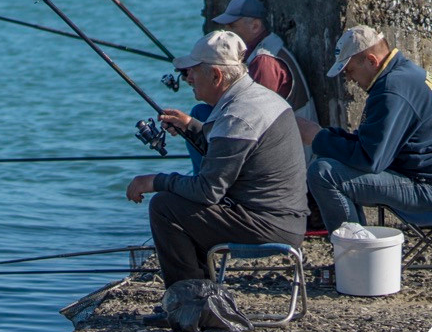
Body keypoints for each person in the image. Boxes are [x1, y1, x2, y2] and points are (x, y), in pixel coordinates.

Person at [124, 31, 311, 285]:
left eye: (193, 71)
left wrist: (154, 181)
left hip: (269, 224)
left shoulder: (239, 115)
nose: (188, 78)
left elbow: (207, 191)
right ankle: (201, 295)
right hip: (284, 218)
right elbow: (230, 153)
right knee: (181, 203)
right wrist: (191, 126)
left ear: (216, 75)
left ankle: (192, 303)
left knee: (165, 207)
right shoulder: (256, 98)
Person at [300, 25, 432, 232]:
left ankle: (354, 255)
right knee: (329, 167)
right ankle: (357, 249)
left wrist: (317, 139)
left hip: (431, 191)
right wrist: (326, 135)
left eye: (349, 70)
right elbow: (368, 144)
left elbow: (370, 160)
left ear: (371, 61)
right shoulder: (406, 74)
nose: (349, 79)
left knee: (322, 173)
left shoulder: (392, 90)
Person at [210, 0, 316, 125]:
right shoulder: (262, 49)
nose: (226, 32)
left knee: (206, 116)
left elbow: (254, 113)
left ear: (255, 26)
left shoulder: (265, 61)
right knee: (204, 113)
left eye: (232, 26)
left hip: (297, 142)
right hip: (282, 135)